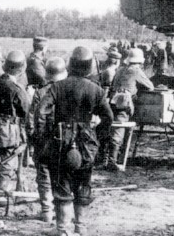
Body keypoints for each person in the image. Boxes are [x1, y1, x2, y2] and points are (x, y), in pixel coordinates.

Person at [40, 46, 113, 236]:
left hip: (61, 140)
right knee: (83, 183)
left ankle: (62, 229)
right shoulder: (96, 90)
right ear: (90, 67)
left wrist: (44, 136)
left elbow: (41, 112)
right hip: (87, 142)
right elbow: (108, 118)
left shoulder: (57, 86)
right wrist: (98, 136)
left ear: (70, 64)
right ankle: (80, 227)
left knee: (61, 183)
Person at [0, 50, 30, 191]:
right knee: (8, 162)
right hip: (9, 130)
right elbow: (26, 111)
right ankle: (1, 194)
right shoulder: (17, 89)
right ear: (21, 69)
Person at [27, 57, 67, 225]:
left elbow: (31, 118)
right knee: (62, 175)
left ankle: (46, 211)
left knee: (43, 174)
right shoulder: (68, 90)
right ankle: (61, 211)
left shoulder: (41, 92)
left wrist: (32, 139)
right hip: (64, 139)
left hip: (43, 140)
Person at [106, 48, 154, 171]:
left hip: (112, 101)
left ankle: (109, 158)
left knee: (114, 128)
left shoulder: (120, 69)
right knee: (119, 130)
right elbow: (150, 86)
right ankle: (112, 161)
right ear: (140, 61)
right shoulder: (136, 71)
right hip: (123, 103)